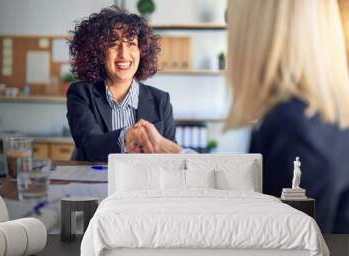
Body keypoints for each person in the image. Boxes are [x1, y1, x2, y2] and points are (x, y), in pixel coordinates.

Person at [134, 0, 349, 233]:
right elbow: (250, 190)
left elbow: (272, 242)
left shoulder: (291, 128)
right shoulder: (323, 114)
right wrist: (173, 150)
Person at [67, 6, 176, 162]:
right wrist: (127, 136)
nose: (123, 54)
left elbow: (170, 156)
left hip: (143, 184)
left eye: (131, 43)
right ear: (99, 52)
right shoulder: (80, 93)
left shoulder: (161, 100)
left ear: (141, 51)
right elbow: (90, 146)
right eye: (113, 44)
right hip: (95, 184)